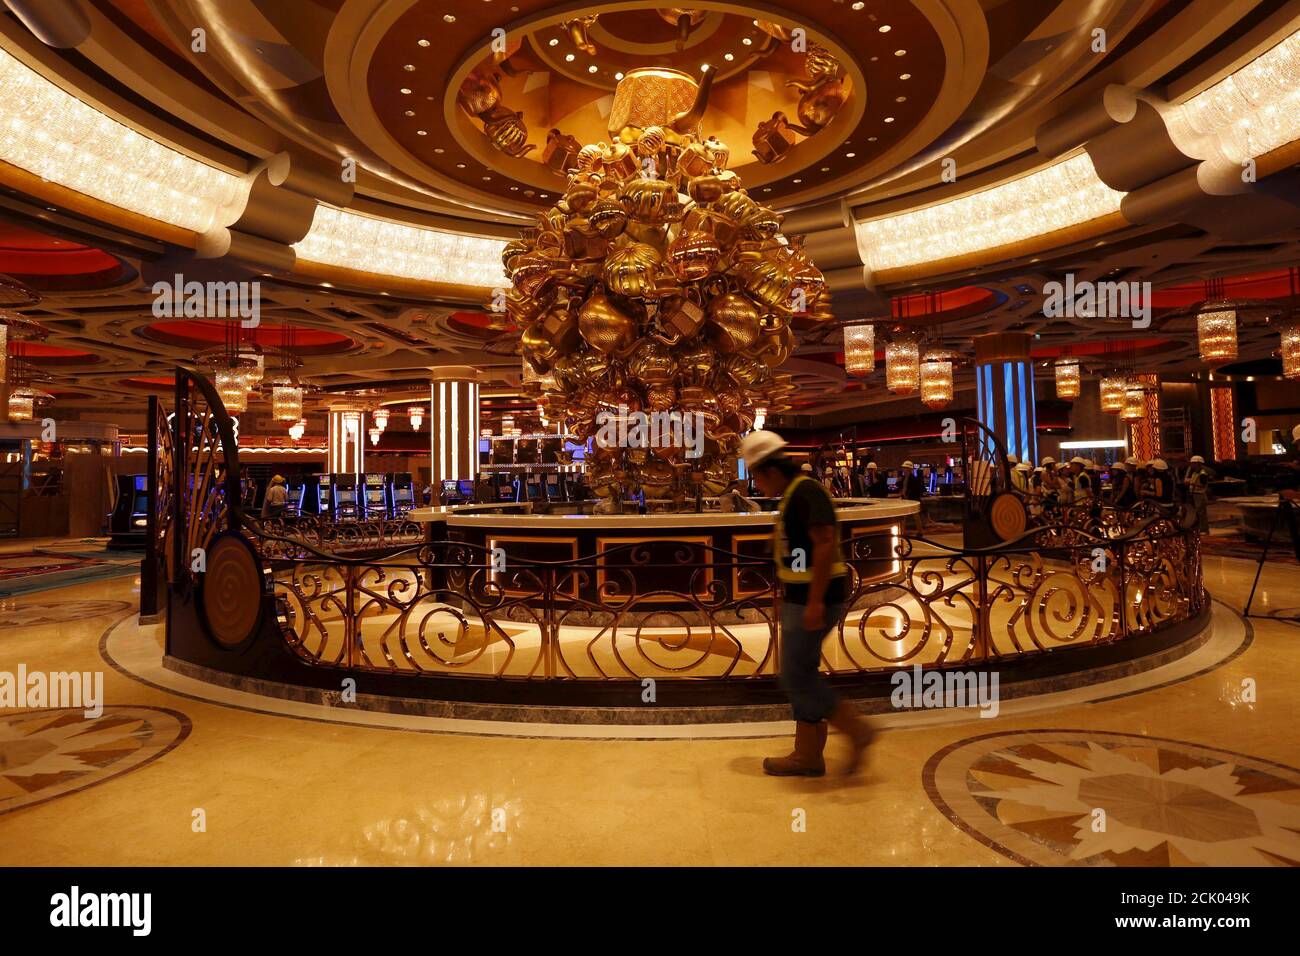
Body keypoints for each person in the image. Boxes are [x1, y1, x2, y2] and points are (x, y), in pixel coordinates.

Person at [739, 430, 875, 776]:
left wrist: (813, 602)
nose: (756, 484)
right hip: (803, 596)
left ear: (770, 470)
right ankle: (809, 754)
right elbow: (798, 552)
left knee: (795, 675)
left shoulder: (806, 492)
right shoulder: (793, 495)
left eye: (755, 475)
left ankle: (856, 730)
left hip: (819, 596)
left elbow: (824, 543)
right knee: (802, 671)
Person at [1184, 455, 1212, 532]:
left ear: (1198, 464)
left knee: (1201, 513)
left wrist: (1191, 483)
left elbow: (1203, 484)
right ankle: (1197, 528)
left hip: (1199, 495)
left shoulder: (1202, 473)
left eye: (1193, 463)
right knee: (1194, 513)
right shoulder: (1195, 472)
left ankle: (1204, 529)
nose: (1191, 465)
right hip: (1193, 494)